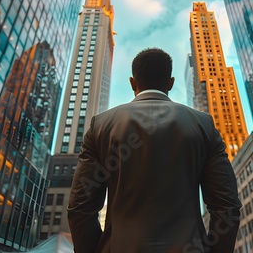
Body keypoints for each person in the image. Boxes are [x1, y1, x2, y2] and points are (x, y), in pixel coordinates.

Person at [68, 48, 242, 253]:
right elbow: (226, 206)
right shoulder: (203, 125)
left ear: (133, 83)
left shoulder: (101, 126)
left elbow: (80, 209)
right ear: (171, 82)